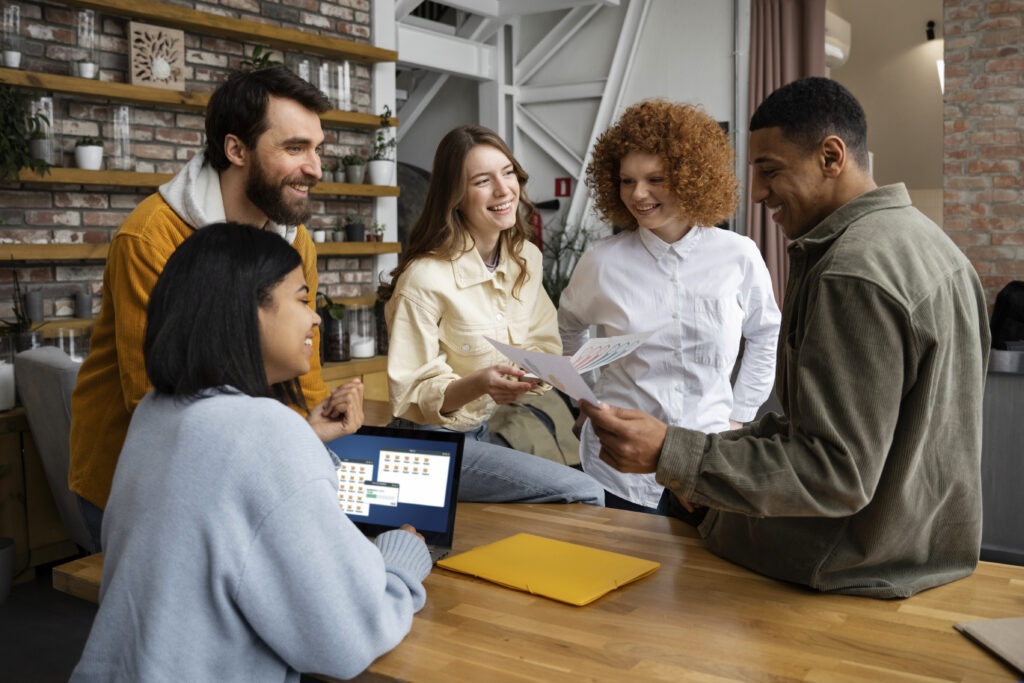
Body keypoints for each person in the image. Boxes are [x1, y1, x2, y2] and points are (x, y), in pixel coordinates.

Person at [581, 77, 990, 598]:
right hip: (921, 552)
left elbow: (834, 471)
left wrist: (675, 454)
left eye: (770, 171)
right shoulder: (932, 245)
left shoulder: (851, 271)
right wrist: (705, 449)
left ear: (831, 156)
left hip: (848, 567)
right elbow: (848, 431)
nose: (757, 193)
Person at [70, 223, 429, 682]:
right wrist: (400, 559)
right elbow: (345, 638)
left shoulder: (158, 413)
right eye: (302, 299)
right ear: (247, 311)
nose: (316, 318)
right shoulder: (264, 430)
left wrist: (303, 437)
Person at [69, 66, 344, 550]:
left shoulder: (294, 241)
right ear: (236, 150)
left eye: (317, 148)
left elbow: (305, 371)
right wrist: (289, 449)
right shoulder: (151, 237)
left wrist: (319, 439)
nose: (316, 168)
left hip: (243, 465)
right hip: (136, 480)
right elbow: (156, 397)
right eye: (295, 148)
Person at [559, 99, 780, 513]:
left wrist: (740, 414)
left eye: (655, 178)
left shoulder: (739, 256)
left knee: (705, 576)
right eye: (627, 181)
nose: (638, 194)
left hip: (709, 459)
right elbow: (569, 326)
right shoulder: (602, 262)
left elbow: (765, 332)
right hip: (619, 470)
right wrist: (584, 400)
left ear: (691, 176)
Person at [378, 125, 603, 505]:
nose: (504, 190)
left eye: (508, 172)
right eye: (483, 180)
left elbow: (541, 343)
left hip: (479, 432)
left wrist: (539, 371)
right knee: (584, 492)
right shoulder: (424, 278)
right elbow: (412, 394)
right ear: (456, 197)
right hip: (429, 447)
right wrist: (481, 382)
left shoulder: (525, 258)